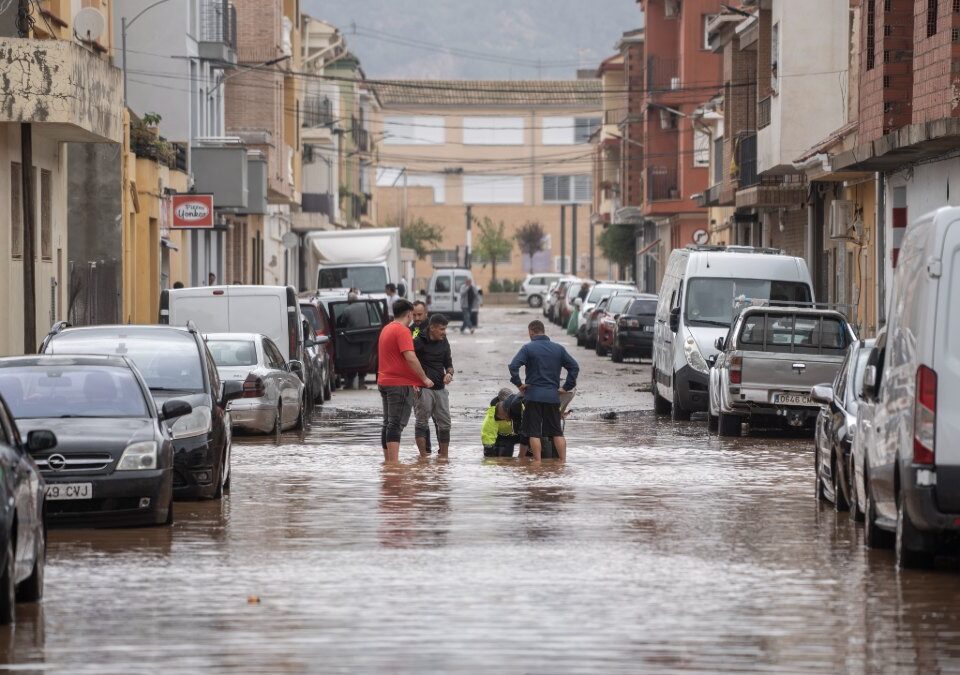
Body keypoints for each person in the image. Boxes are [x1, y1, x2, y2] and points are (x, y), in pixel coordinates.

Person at [508, 320, 579, 462]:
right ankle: (562, 463)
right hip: (553, 397)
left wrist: (519, 384)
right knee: (556, 432)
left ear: (531, 332)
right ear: (543, 331)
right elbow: (574, 367)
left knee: (534, 432)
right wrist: (566, 387)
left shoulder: (528, 348)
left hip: (533, 396)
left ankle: (538, 463)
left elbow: (513, 366)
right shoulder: (558, 349)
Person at [377, 299, 434, 462]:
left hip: (384, 382)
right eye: (412, 314)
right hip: (398, 385)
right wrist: (423, 378)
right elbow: (410, 357)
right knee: (396, 424)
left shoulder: (386, 329)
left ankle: (388, 462)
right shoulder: (403, 331)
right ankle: (393, 464)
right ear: (409, 314)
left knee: (388, 423)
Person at [413, 314, 454, 458]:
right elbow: (408, 361)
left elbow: (449, 364)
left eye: (445, 329)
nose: (444, 332)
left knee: (445, 424)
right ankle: (423, 457)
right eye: (441, 329)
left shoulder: (444, 341)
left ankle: (444, 457)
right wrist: (414, 382)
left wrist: (449, 374)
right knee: (422, 422)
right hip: (423, 389)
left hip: (440, 389)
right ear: (432, 328)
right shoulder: (419, 341)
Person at [481, 388, 528, 458]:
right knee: (504, 457)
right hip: (504, 437)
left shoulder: (521, 406)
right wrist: (489, 455)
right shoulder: (493, 414)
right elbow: (488, 435)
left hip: (520, 434)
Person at [338, 290, 372, 389]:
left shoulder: (347, 310)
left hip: (352, 338)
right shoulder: (366, 306)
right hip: (367, 335)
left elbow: (342, 322)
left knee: (353, 360)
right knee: (364, 358)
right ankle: (361, 382)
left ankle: (349, 383)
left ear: (348, 301)